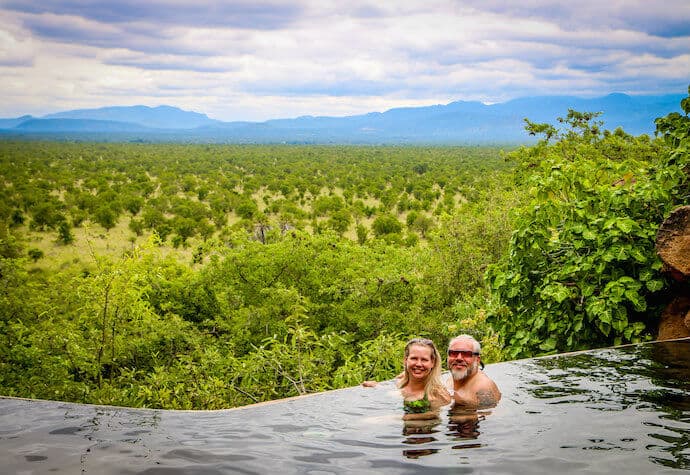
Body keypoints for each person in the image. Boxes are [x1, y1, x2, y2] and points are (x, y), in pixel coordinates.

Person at [398, 338, 451, 419]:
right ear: (405, 360)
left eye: (424, 360)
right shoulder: (398, 385)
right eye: (414, 358)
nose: (419, 364)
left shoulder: (437, 396)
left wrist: (406, 418)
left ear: (432, 363)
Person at [446, 334, 501, 408]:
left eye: (466, 354)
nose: (459, 358)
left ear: (477, 360)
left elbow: (491, 417)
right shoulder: (451, 379)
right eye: (454, 353)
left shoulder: (483, 388)